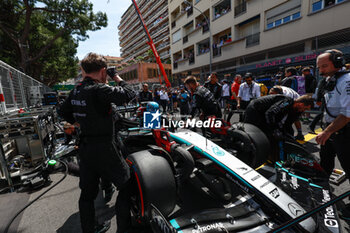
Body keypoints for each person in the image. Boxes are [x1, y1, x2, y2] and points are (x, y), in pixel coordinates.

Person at [58, 53, 136, 233]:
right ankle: (124, 229)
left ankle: (89, 229)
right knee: (126, 185)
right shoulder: (99, 90)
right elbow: (130, 94)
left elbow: (63, 112)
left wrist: (77, 122)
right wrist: (115, 76)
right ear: (103, 71)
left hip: (85, 148)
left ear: (84, 71)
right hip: (105, 148)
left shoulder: (76, 90)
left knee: (87, 194)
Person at [314, 49, 350, 220]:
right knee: (325, 160)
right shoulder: (328, 81)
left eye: (324, 66)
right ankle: (321, 187)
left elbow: (347, 114)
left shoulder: (347, 80)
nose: (321, 70)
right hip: (331, 127)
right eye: (319, 67)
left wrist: (327, 132)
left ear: (337, 62)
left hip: (345, 129)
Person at [244, 95, 313, 161]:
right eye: (305, 108)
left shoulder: (295, 110)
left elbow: (287, 125)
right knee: (259, 134)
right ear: (300, 104)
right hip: (255, 109)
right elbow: (270, 113)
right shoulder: (287, 102)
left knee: (280, 134)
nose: (304, 110)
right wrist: (274, 130)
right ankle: (248, 154)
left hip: (264, 113)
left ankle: (273, 156)